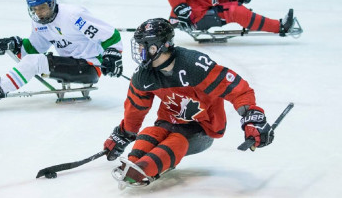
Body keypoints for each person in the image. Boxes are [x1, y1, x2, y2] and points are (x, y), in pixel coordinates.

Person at [103, 18, 274, 188]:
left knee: (177, 141)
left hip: (202, 127)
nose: (139, 51)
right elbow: (135, 107)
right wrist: (124, 133)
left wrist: (252, 116)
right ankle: (132, 164)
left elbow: (236, 88)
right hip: (168, 121)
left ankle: (142, 168)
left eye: (143, 46)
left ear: (156, 47)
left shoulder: (194, 65)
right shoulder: (144, 75)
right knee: (150, 131)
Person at [0, 0, 123, 105]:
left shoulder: (73, 16)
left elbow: (111, 35)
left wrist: (112, 56)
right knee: (34, 60)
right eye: (35, 9)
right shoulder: (39, 24)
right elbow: (33, 50)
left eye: (42, 7)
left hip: (90, 67)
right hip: (71, 64)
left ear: (52, 3)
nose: (38, 13)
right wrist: (14, 44)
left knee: (36, 61)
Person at [166, 0, 297, 36]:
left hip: (202, 11)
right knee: (235, 11)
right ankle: (279, 27)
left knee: (234, 7)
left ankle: (278, 25)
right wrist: (182, 10)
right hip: (193, 18)